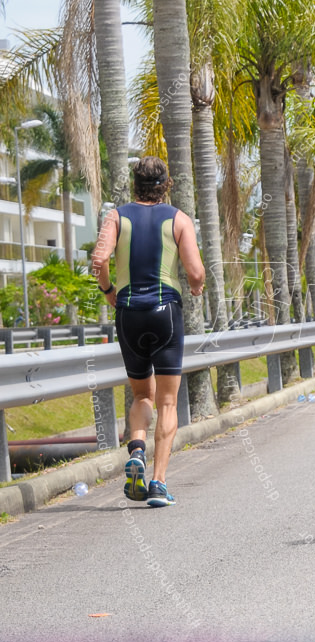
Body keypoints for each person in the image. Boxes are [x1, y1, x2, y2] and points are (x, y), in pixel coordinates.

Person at [91, 156, 205, 507]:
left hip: (128, 315)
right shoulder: (178, 219)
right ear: (166, 185)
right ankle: (157, 483)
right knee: (168, 400)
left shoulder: (116, 216)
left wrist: (109, 290)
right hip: (165, 314)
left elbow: (99, 260)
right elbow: (196, 272)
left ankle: (136, 451)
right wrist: (196, 286)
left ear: (134, 183)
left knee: (142, 396)